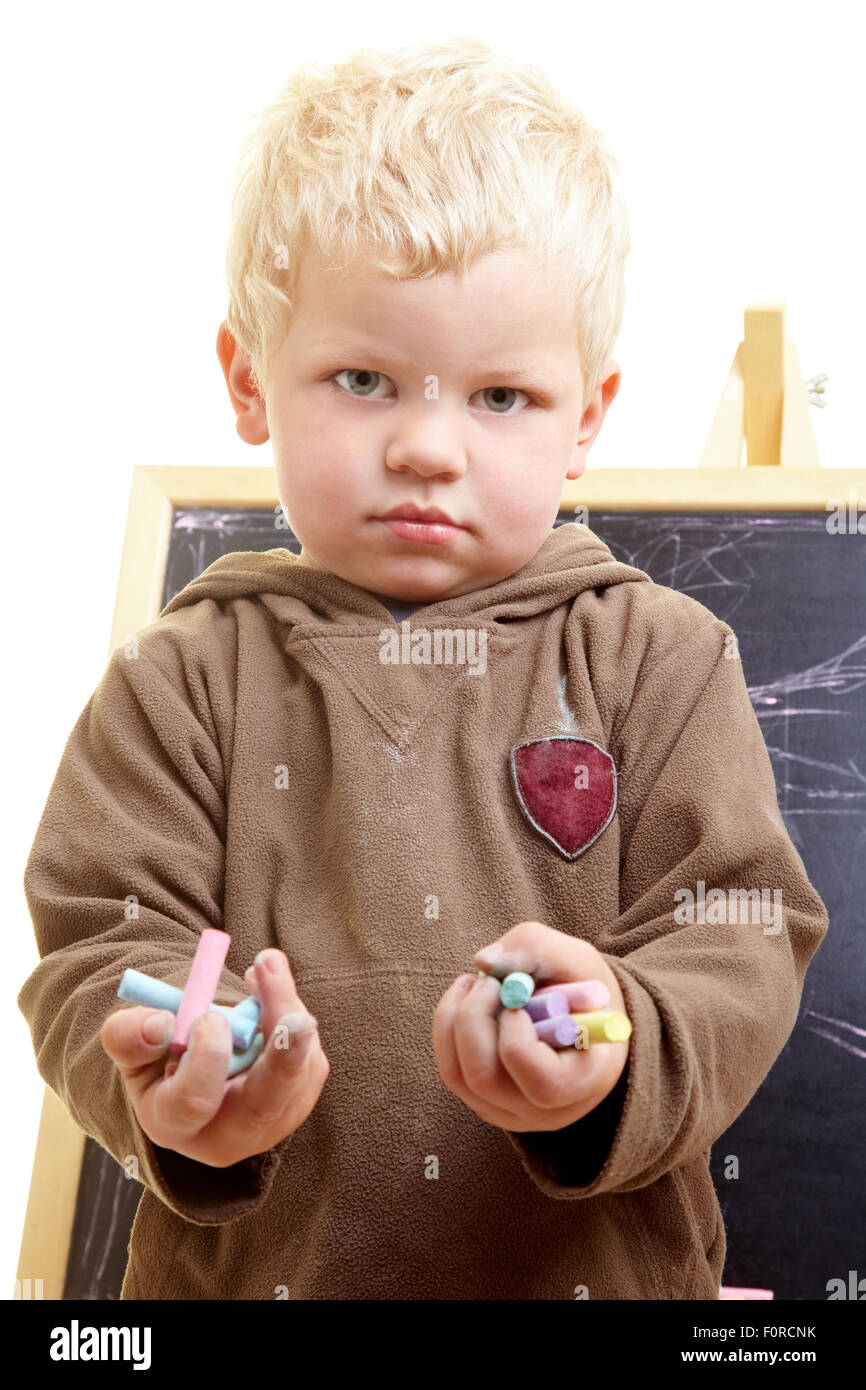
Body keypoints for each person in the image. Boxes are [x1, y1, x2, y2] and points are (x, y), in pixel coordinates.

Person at [18, 36, 828, 1300]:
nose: (427, 448)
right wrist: (182, 1070)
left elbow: (735, 930)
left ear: (587, 417)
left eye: (501, 396)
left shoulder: (659, 659)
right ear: (248, 381)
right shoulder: (176, 679)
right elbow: (97, 939)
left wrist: (616, 1039)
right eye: (363, 379)